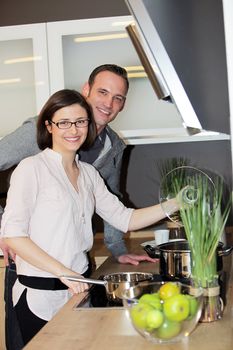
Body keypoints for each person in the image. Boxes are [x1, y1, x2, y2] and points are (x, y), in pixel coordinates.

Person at [0, 89, 179, 346]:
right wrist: (64, 273)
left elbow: (125, 219)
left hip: (78, 294)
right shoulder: (31, 169)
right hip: (39, 298)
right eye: (64, 122)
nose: (73, 130)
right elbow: (13, 235)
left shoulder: (88, 174)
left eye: (81, 122)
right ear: (49, 126)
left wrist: (175, 203)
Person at [0, 64, 154, 265]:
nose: (109, 103)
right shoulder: (44, 130)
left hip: (76, 259)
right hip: (30, 264)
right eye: (103, 92)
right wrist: (5, 228)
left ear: (123, 105)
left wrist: (118, 250)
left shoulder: (113, 147)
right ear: (86, 90)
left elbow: (113, 200)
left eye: (118, 98)